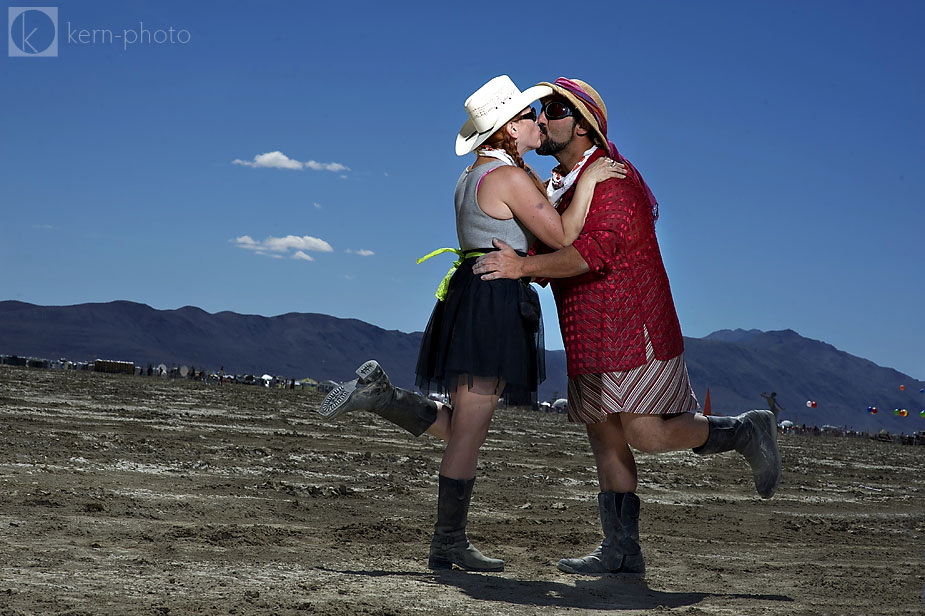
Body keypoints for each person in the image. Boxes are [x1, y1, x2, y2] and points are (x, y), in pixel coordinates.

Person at [472, 77, 781, 577]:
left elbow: (590, 255)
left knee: (646, 434)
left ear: (583, 125)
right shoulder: (561, 183)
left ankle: (744, 430)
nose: (542, 119)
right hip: (586, 330)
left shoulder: (612, 180)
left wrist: (522, 269)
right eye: (541, 110)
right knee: (604, 436)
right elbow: (550, 239)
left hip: (632, 327)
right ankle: (621, 551)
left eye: (553, 110)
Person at [318, 75, 625, 573]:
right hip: (494, 301)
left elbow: (516, 220)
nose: (538, 121)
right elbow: (565, 235)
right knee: (469, 432)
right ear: (507, 128)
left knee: (464, 424)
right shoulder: (508, 179)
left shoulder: (476, 175)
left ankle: (385, 399)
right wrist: (589, 179)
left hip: (470, 293)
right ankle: (447, 543)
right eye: (529, 116)